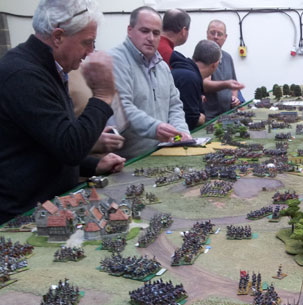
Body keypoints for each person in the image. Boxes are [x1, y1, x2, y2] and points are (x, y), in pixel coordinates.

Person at [0, 0, 125, 224]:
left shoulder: (48, 68)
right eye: (87, 42)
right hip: (25, 216)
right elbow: (70, 147)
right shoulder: (23, 74)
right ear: (58, 37)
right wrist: (103, 95)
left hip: (50, 207)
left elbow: (50, 143)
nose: (90, 51)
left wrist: (93, 165)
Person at [110, 6, 190, 159]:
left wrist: (181, 132)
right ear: (129, 30)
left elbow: (174, 105)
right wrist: (155, 128)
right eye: (144, 31)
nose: (151, 38)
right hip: (129, 160)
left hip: (163, 154)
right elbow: (122, 109)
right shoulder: (115, 61)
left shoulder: (162, 67)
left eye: (156, 33)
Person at [171, 40, 221, 130]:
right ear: (215, 65)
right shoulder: (189, 78)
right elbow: (192, 120)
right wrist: (202, 117)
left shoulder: (184, 71)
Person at [203, 19, 245, 120]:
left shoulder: (227, 57)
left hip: (228, 114)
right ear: (207, 34)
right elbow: (205, 85)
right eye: (212, 33)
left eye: (219, 34)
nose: (215, 37)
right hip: (210, 118)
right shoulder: (203, 56)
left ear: (225, 37)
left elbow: (234, 85)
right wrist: (226, 84)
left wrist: (235, 98)